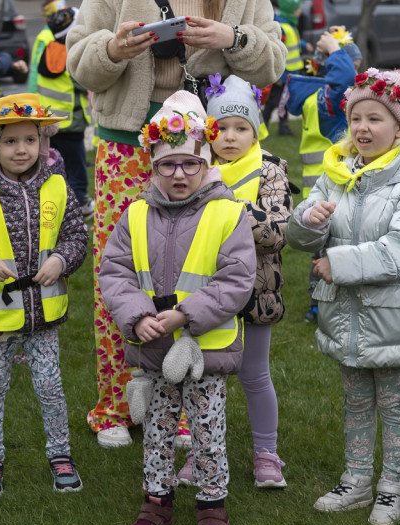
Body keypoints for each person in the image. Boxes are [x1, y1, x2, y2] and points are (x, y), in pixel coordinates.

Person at [67, 0, 286, 449]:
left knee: (193, 271)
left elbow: (273, 64)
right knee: (123, 268)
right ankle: (116, 404)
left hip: (200, 150)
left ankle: (184, 407)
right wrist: (114, 48)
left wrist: (233, 39)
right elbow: (79, 64)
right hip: (126, 145)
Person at [99, 90, 256, 525]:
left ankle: (212, 504)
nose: (179, 174)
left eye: (190, 163)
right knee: (158, 427)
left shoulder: (228, 214)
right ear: (153, 166)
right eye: (168, 164)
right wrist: (138, 317)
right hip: (154, 347)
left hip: (205, 349)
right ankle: (157, 500)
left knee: (208, 430)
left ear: (206, 162)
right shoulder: (136, 214)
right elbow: (115, 273)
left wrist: (184, 315)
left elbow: (237, 279)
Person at [287, 70, 400, 525]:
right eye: (356, 118)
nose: (363, 128)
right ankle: (356, 481)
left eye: (376, 118)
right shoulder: (336, 174)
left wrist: (341, 263)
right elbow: (300, 236)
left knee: (392, 401)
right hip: (345, 315)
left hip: (391, 315)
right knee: (355, 400)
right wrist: (309, 220)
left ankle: (392, 488)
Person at [0, 94, 88, 496]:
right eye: (10, 141)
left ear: (42, 143)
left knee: (50, 385)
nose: (21, 149)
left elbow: (76, 236)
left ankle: (60, 454)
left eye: (29, 140)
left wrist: (63, 260)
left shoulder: (59, 187)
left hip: (45, 313)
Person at [202, 74, 291, 488]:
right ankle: (205, 451)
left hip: (257, 291)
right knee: (205, 376)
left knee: (255, 375)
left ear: (256, 130)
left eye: (242, 128)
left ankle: (266, 452)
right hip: (207, 292)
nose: (231, 137)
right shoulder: (197, 167)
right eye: (221, 128)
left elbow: (275, 233)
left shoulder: (270, 169)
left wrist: (229, 207)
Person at [285, 30, 361, 323]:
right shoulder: (331, 102)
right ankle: (323, 305)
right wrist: (335, 51)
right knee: (332, 250)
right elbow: (344, 81)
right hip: (336, 190)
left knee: (319, 250)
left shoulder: (310, 97)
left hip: (313, 191)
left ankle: (316, 307)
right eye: (355, 68)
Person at [28, 0, 93, 216]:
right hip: (71, 120)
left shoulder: (47, 43)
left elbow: (35, 77)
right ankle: (79, 207)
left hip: (48, 119)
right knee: (76, 167)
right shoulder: (72, 50)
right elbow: (84, 80)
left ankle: (54, 207)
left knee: (51, 165)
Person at [260, 0, 305, 136]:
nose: (300, 11)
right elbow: (277, 52)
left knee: (283, 101)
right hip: (283, 74)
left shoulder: (291, 25)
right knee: (273, 102)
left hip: (291, 74)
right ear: (291, 11)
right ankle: (263, 123)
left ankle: (282, 127)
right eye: (298, 9)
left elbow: (295, 42)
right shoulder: (282, 27)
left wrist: (304, 45)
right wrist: (278, 74)